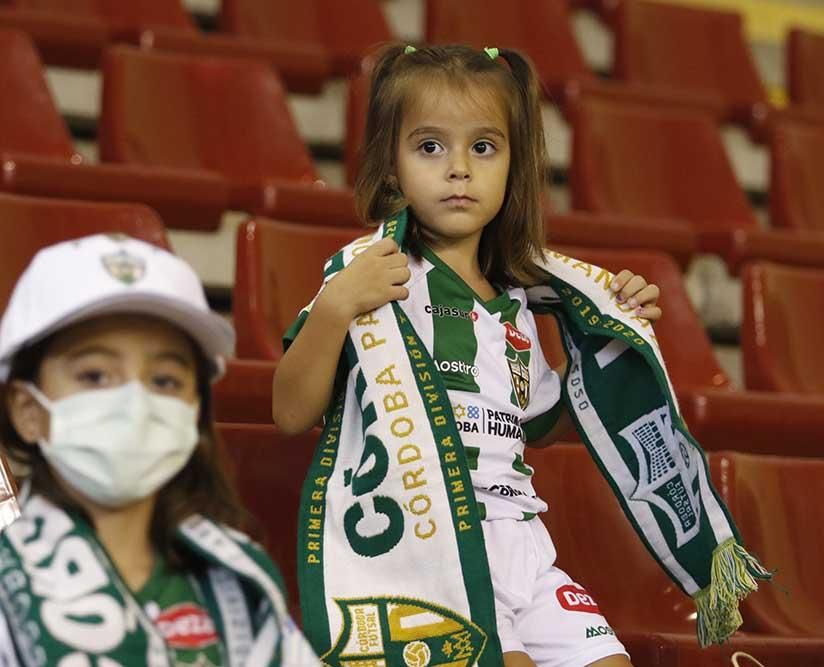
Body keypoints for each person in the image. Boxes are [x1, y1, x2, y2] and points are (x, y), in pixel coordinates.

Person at [274, 44, 664, 667]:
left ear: (514, 165)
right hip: (429, 548)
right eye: (430, 147)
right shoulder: (368, 274)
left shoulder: (517, 297)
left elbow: (538, 426)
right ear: (393, 166)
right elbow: (290, 412)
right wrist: (335, 308)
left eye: (483, 147)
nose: (459, 168)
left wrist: (612, 341)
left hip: (522, 541)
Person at [0, 234, 318, 667]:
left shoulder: (240, 587)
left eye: (164, 381)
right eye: (95, 375)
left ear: (193, 413)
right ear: (28, 410)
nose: (134, 405)